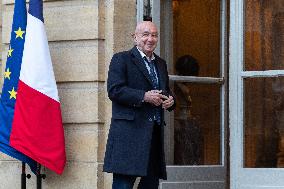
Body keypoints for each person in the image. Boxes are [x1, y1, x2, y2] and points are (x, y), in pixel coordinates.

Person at [103, 21, 175, 189]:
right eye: (145, 34)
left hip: (153, 137)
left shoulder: (160, 63)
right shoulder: (121, 59)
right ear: (134, 38)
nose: (150, 39)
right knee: (123, 185)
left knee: (150, 185)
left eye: (154, 35)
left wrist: (171, 100)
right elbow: (114, 90)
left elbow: (166, 91)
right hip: (129, 137)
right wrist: (143, 96)